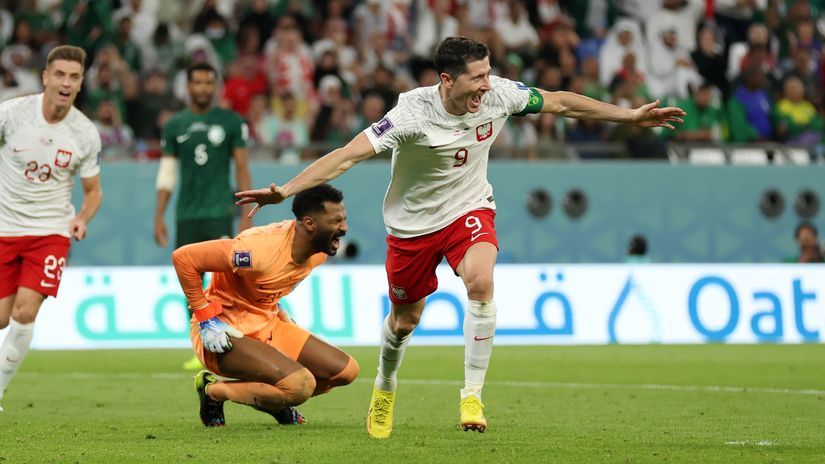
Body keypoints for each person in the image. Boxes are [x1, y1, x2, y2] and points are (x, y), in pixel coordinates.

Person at [235, 36, 685, 438]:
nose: (488, 85)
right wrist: (288, 190)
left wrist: (629, 117)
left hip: (468, 210)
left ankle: (471, 395)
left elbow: (561, 102)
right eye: (478, 77)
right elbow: (347, 155)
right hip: (411, 226)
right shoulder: (411, 114)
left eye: (489, 73)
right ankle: (385, 386)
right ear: (447, 80)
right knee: (404, 321)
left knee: (481, 284)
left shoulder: (500, 95)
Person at [171, 184, 359, 427]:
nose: (344, 228)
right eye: (337, 221)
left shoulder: (318, 250)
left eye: (344, 219)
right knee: (300, 386)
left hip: (266, 324)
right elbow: (184, 258)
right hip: (224, 331)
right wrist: (206, 319)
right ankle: (213, 392)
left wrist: (278, 308)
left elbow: (271, 280)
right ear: (310, 224)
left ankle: (275, 400)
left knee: (346, 371)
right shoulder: (257, 250)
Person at [0, 45, 103, 412]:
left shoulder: (84, 133)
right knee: (1, 317)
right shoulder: (10, 115)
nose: (65, 82)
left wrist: (82, 218)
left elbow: (93, 192)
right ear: (45, 77)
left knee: (24, 313)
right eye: (59, 74)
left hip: (50, 233)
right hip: (4, 228)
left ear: (80, 84)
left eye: (74, 77)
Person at [154, 62, 253, 371]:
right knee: (191, 283)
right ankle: (201, 346)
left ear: (216, 87)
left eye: (208, 82)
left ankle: (236, 340)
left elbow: (241, 167)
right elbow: (168, 172)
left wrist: (246, 212)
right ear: (188, 86)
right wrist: (159, 215)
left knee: (226, 279)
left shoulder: (231, 122)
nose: (202, 88)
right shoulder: (175, 125)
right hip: (187, 214)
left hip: (219, 212)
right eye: (197, 82)